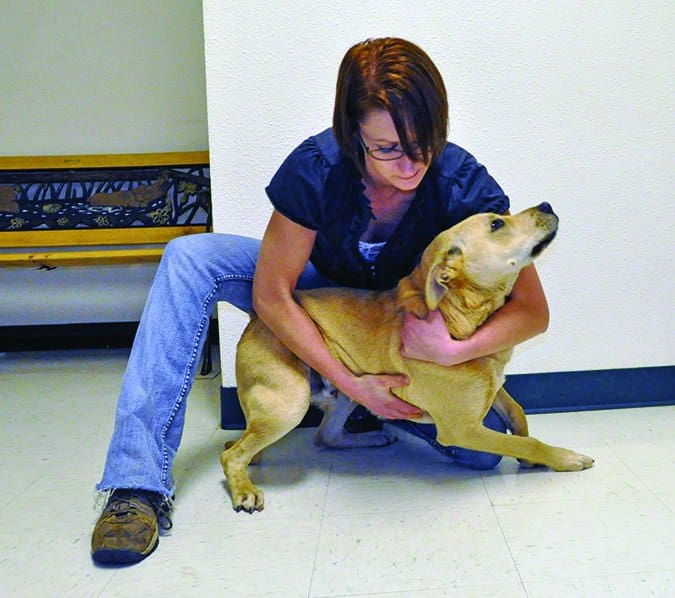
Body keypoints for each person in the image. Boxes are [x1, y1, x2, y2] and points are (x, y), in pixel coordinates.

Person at [91, 37, 549, 565]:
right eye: (387, 149)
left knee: (479, 455)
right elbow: (271, 292)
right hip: (316, 289)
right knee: (190, 258)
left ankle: (384, 409)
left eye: (423, 142)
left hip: (386, 319)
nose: (410, 164)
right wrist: (349, 381)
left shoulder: (463, 184)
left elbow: (533, 313)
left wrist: (448, 354)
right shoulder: (315, 167)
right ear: (353, 135)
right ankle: (135, 484)